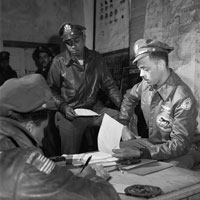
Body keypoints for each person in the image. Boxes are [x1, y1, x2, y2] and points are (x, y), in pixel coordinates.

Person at [0, 74, 120, 200]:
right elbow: (107, 197)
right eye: (43, 130)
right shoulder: (27, 165)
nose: (42, 139)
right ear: (29, 127)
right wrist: (92, 177)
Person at [112, 39, 200, 169]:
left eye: (145, 69)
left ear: (160, 64)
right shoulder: (146, 85)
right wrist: (123, 125)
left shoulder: (182, 97)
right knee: (116, 150)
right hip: (154, 144)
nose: (141, 74)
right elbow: (129, 97)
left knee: (164, 172)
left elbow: (180, 144)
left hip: (184, 149)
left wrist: (142, 153)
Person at [47, 22, 122, 154]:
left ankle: (118, 156)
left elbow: (110, 86)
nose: (73, 46)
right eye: (68, 43)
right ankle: (69, 171)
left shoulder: (96, 59)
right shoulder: (58, 62)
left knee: (121, 118)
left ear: (84, 38)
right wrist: (64, 107)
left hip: (91, 110)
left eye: (76, 41)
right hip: (69, 114)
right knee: (70, 155)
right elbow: (51, 90)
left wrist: (124, 106)